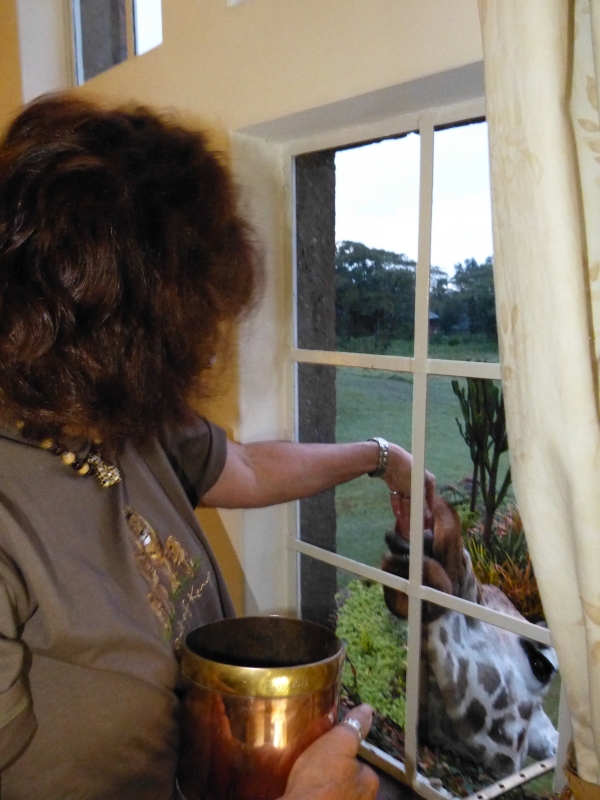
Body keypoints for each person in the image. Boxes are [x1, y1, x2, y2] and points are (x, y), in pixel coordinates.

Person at [0, 95, 434, 800]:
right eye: (184, 320)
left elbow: (249, 469)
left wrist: (381, 456)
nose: (203, 352)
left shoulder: (111, 411)